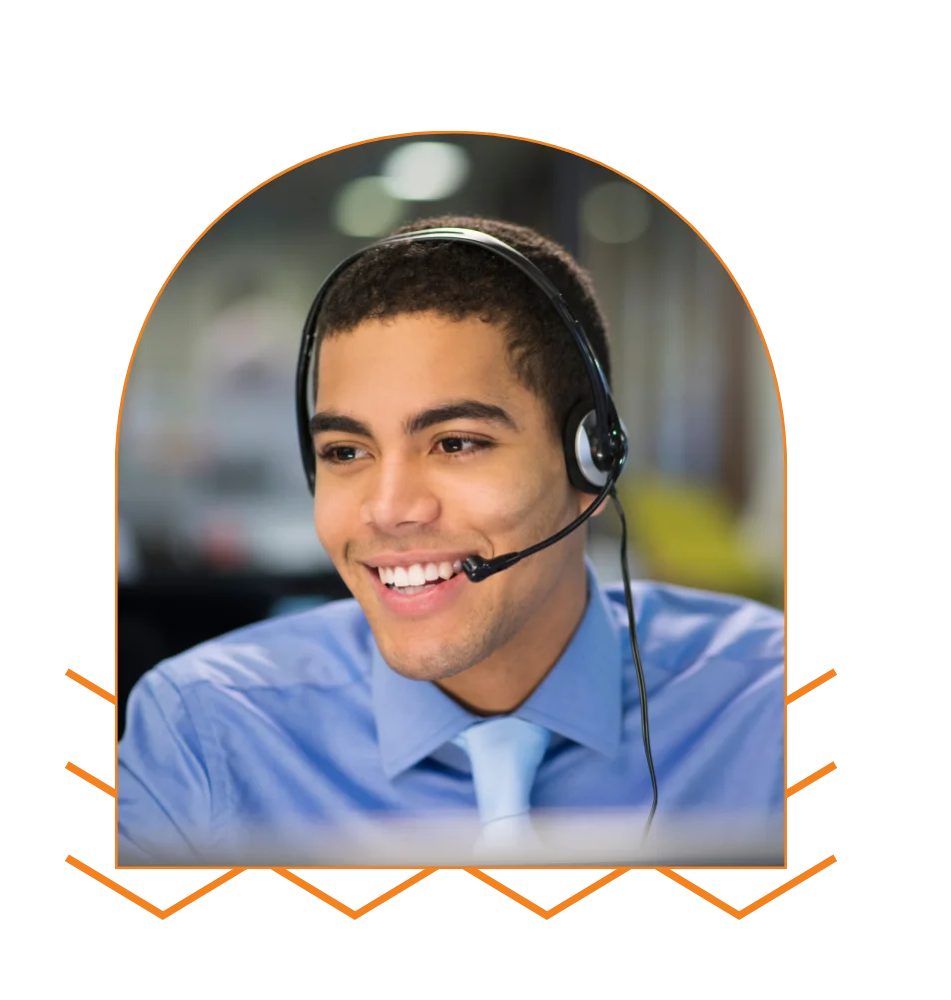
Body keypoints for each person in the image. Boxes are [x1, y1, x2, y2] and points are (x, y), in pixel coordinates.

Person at [117, 215, 785, 867]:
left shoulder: (770, 706)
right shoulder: (200, 729)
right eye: (347, 451)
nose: (388, 509)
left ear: (592, 460)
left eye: (457, 443)